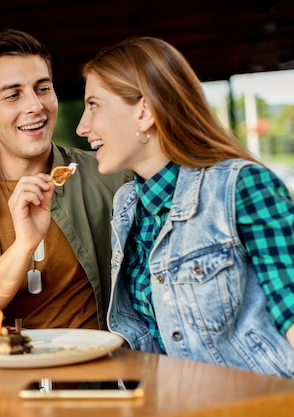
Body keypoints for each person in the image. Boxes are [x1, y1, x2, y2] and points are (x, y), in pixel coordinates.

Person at [76, 36, 294, 377]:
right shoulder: (127, 206)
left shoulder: (242, 187)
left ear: (144, 111)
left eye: (94, 105)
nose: (82, 127)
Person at [0, 28, 129, 329]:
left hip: (101, 370)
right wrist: (24, 245)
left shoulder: (109, 174)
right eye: (13, 95)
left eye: (43, 88)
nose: (35, 106)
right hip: (6, 371)